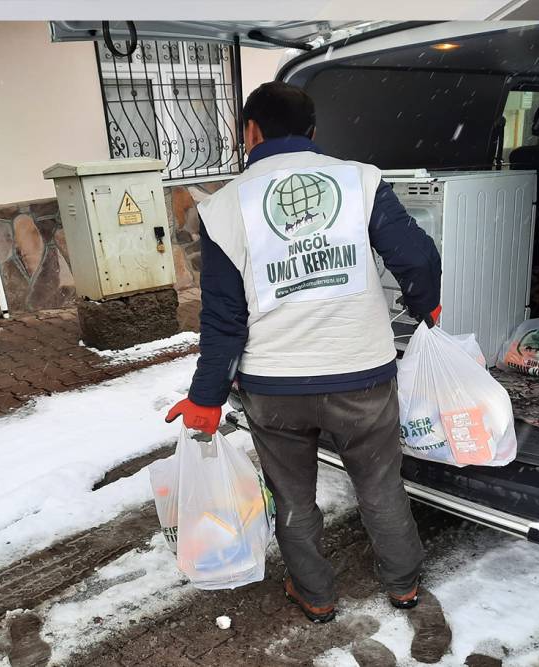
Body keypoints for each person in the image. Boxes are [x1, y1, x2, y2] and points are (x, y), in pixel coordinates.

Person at [166, 81, 441, 623]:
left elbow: (224, 318)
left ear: (250, 131)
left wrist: (206, 398)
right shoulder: (360, 180)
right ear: (313, 133)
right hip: (362, 377)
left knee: (293, 497)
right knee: (381, 485)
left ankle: (316, 595)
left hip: (275, 388)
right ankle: (404, 586)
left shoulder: (224, 207)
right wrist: (424, 307)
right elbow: (418, 257)